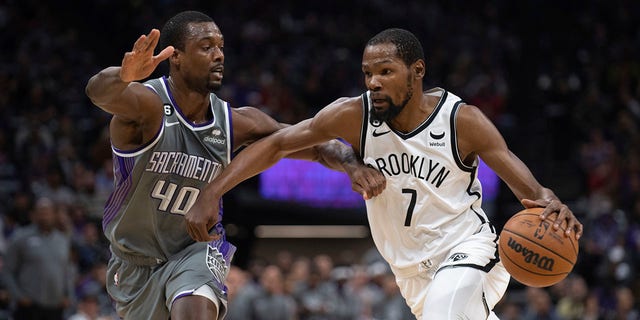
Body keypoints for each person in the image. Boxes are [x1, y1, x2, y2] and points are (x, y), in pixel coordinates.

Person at [186, 28, 584, 319]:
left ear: (417, 71)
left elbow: (532, 191)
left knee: (447, 313)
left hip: (469, 250)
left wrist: (554, 204)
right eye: (367, 73)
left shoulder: (463, 121)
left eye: (386, 72)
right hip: (409, 271)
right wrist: (211, 192)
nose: (373, 82)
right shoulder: (353, 114)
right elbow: (276, 143)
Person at [84, 10, 384, 320]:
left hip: (194, 249)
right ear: (177, 58)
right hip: (134, 262)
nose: (218, 55)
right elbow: (97, 92)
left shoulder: (236, 122)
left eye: (221, 47)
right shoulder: (149, 106)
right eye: (206, 47)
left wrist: (352, 164)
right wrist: (123, 75)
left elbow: (315, 144)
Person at [1, 196, 73, 320]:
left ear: (55, 215)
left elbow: (66, 270)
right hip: (28, 306)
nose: (44, 217)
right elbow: (7, 270)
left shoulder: (62, 240)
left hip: (55, 306)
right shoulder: (20, 237)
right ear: (34, 215)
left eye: (48, 213)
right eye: (41, 213)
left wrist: (68, 295)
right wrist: (18, 296)